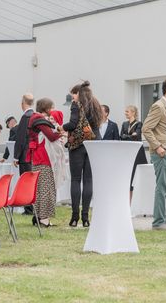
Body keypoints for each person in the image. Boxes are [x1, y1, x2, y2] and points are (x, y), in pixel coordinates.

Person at [142, 78, 166, 231]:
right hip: (161, 153)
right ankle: (158, 222)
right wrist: (158, 147)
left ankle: (163, 219)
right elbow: (146, 129)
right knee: (162, 187)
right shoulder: (158, 106)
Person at [62, 81, 102, 227]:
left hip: (78, 145)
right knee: (88, 180)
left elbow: (72, 124)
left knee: (75, 180)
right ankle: (86, 218)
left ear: (78, 93)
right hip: (94, 144)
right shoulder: (96, 104)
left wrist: (61, 127)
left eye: (73, 93)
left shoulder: (76, 105)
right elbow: (97, 125)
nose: (72, 96)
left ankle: (74, 217)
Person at [27, 98, 64, 227]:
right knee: (46, 189)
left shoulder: (35, 118)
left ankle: (37, 216)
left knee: (39, 189)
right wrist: (61, 132)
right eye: (51, 107)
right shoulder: (40, 120)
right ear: (47, 108)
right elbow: (51, 136)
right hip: (43, 158)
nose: (52, 110)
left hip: (37, 157)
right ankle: (43, 219)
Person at [13, 94, 34, 214]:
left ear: (23, 103)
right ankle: (31, 207)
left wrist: (16, 156)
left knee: (26, 182)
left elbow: (20, 138)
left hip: (25, 156)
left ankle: (29, 208)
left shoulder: (25, 117)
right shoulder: (35, 116)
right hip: (32, 154)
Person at [120, 105, 147, 197]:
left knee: (137, 171)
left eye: (127, 111)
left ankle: (139, 194)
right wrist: (130, 136)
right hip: (127, 151)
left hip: (138, 152)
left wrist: (126, 136)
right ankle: (129, 196)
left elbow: (137, 136)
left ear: (133, 113)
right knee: (129, 173)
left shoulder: (139, 124)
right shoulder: (124, 124)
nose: (125, 113)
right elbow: (121, 137)